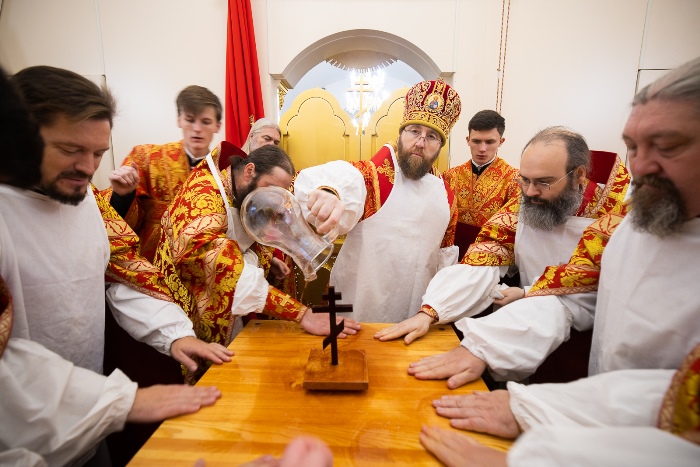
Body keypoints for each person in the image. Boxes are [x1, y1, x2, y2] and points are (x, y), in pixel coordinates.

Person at [417, 56, 700, 465]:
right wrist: (449, 319)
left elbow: (679, 413)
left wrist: (534, 420)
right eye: (633, 147)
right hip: (592, 393)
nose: (640, 166)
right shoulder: (636, 215)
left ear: (580, 177)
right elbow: (569, 288)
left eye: (668, 146)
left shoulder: (613, 207)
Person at [0, 65, 222, 466]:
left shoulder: (86, 199)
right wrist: (121, 401)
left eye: (99, 154)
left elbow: (122, 277)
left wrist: (173, 334)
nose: (89, 168)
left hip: (89, 427)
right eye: (71, 150)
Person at [376, 126, 630, 346]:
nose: (529, 193)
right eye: (525, 180)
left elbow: (593, 289)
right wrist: (431, 311)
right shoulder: (524, 203)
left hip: (591, 338)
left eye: (543, 182)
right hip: (527, 328)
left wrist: (527, 293)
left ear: (579, 176)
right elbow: (482, 261)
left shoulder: (617, 214)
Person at [153, 142, 360, 367]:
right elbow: (226, 270)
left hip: (231, 299)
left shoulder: (244, 188)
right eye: (270, 189)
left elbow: (246, 234)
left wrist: (268, 258)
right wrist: (303, 315)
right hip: (187, 307)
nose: (272, 199)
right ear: (249, 171)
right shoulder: (201, 199)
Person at [293, 78, 461, 323]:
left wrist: (435, 313)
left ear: (440, 146)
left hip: (415, 315)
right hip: (358, 307)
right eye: (414, 131)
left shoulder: (447, 197)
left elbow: (445, 259)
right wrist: (329, 192)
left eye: (432, 136)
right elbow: (342, 179)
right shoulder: (373, 177)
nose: (420, 142)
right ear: (401, 133)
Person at [106, 85, 223, 262]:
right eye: (190, 120)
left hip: (201, 262)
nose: (197, 128)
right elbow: (120, 223)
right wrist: (123, 195)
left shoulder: (224, 170)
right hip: (151, 261)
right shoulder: (146, 158)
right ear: (179, 120)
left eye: (205, 122)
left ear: (217, 126)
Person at [442, 110, 520, 260]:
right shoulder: (450, 176)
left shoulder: (513, 180)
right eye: (476, 141)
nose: (482, 149)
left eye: (490, 142)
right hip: (450, 256)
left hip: (489, 259)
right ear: (468, 140)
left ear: (501, 141)